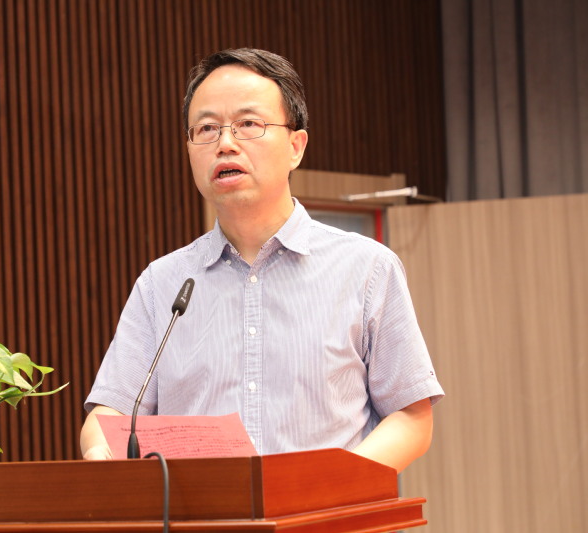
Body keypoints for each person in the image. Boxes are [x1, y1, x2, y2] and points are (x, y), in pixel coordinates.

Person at [80, 48, 444, 472]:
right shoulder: (162, 284)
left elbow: (411, 417)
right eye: (207, 128)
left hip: (326, 508)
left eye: (248, 124)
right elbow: (110, 413)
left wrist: (332, 485)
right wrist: (99, 451)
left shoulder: (367, 269)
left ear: (295, 146)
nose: (225, 144)